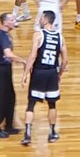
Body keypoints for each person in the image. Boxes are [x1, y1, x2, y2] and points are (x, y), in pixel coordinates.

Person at [20, 10, 67, 145]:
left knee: (31, 104)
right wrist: (59, 75)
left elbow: (33, 55)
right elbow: (65, 61)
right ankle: (52, 133)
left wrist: (25, 74)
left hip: (39, 72)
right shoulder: (60, 37)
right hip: (52, 72)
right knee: (52, 104)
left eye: (41, 18)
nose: (39, 20)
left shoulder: (38, 35)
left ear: (46, 19)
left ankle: (27, 134)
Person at [0, 12, 25, 139]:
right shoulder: (1, 35)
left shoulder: (5, 34)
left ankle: (8, 126)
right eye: (12, 19)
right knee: (2, 99)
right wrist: (23, 61)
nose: (15, 20)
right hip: (0, 70)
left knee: (10, 97)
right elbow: (8, 54)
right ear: (5, 23)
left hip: (6, 69)